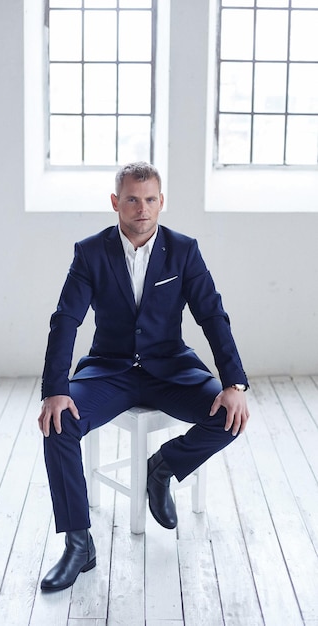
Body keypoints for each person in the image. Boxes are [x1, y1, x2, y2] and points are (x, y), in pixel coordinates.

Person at [38, 161, 249, 592]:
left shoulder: (183, 249)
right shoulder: (91, 252)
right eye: (132, 199)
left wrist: (234, 383)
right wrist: (55, 390)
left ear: (161, 202)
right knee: (58, 425)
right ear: (116, 202)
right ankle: (79, 543)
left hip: (170, 367)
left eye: (150, 199)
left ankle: (164, 467)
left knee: (230, 416)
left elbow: (211, 314)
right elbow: (65, 320)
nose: (142, 208)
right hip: (110, 370)